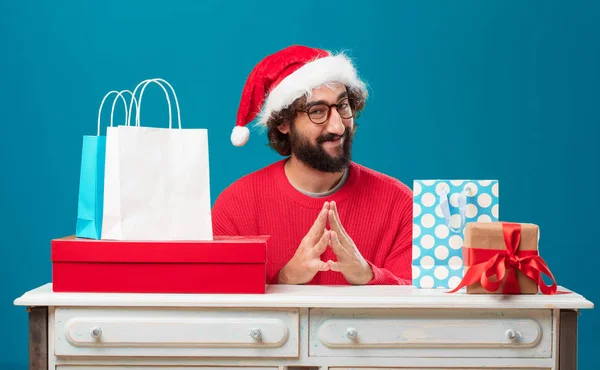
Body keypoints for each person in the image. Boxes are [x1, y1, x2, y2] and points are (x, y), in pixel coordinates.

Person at [211, 45, 413, 286]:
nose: (338, 127)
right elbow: (221, 309)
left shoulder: (399, 204)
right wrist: (286, 280)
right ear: (283, 123)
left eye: (343, 106)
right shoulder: (236, 207)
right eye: (317, 111)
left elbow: (425, 313)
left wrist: (367, 275)